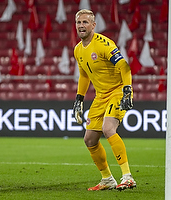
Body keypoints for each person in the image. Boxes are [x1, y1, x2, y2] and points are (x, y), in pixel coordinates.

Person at [73, 9, 136, 191]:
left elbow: (124, 66)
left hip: (117, 91)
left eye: (85, 22)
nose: (81, 26)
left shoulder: (103, 44)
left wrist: (127, 90)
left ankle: (127, 176)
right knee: (89, 139)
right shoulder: (78, 49)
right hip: (101, 96)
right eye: (79, 23)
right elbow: (84, 75)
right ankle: (107, 179)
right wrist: (79, 98)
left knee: (108, 128)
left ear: (93, 25)